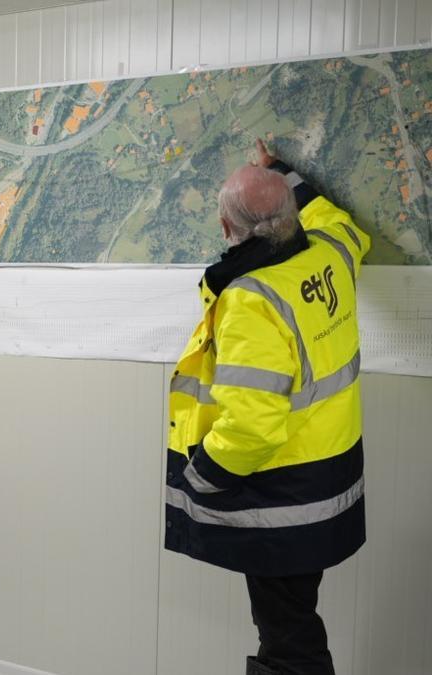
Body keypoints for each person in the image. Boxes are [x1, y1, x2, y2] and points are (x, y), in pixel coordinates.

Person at [164, 139, 368, 675]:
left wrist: (201, 478)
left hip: (283, 498)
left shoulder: (251, 300)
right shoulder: (330, 254)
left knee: (289, 641)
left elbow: (253, 425)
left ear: (227, 228)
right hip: (329, 481)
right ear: (290, 215)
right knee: (291, 625)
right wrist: (278, 171)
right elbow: (341, 222)